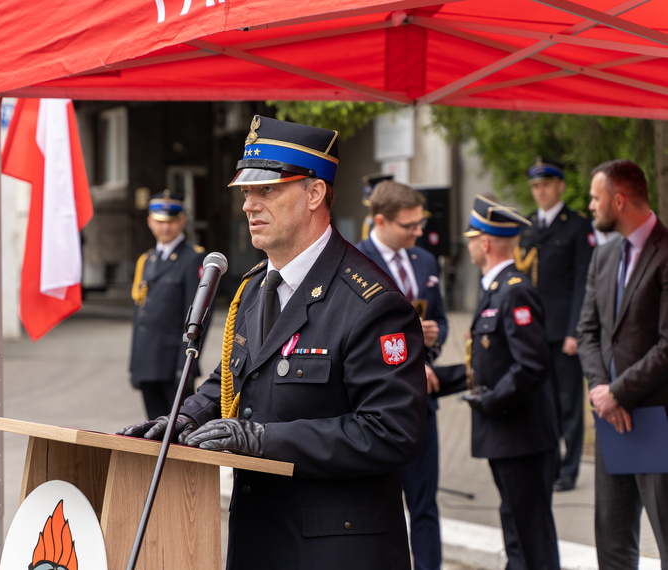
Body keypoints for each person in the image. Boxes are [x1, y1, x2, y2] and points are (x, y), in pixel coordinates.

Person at [119, 115, 428, 570]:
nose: (249, 205)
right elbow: (233, 378)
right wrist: (183, 418)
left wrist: (264, 439)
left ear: (315, 193)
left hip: (333, 551)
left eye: (266, 190)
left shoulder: (370, 302)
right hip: (258, 539)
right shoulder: (254, 287)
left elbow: (392, 432)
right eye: (246, 192)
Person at [577, 159, 668, 568]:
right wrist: (603, 392)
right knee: (612, 544)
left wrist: (618, 392)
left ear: (619, 200)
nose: (590, 206)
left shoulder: (666, 252)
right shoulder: (604, 255)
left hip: (657, 419)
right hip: (611, 419)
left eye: (595, 198)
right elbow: (588, 331)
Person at [462, 195, 561, 570]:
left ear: (485, 243)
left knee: (532, 539)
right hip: (508, 437)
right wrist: (446, 379)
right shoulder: (494, 288)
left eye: (472, 238)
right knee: (516, 531)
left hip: (522, 437)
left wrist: (490, 401)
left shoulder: (514, 289)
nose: (470, 244)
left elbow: (531, 365)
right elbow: (491, 361)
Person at [356, 179, 447, 570]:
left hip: (421, 404)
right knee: (377, 507)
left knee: (425, 504)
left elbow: (439, 317)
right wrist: (410, 345)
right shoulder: (353, 262)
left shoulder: (424, 260)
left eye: (419, 223)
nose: (418, 232)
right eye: (409, 226)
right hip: (375, 407)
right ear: (380, 221)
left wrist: (432, 339)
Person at [514, 159, 595, 492]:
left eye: (546, 184)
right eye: (535, 186)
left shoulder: (577, 225)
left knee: (569, 404)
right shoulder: (528, 226)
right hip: (534, 331)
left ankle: (569, 470)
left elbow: (583, 282)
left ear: (560, 186)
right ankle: (549, 465)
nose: (540, 191)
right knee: (542, 402)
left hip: (564, 332)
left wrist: (576, 330)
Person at [129, 190, 206, 419]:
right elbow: (139, 317)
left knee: (179, 432)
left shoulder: (193, 258)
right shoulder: (147, 260)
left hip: (173, 365)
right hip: (147, 364)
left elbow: (198, 316)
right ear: (150, 222)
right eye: (160, 221)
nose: (165, 227)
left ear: (182, 220)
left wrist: (187, 364)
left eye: (171, 221)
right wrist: (135, 364)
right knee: (152, 431)